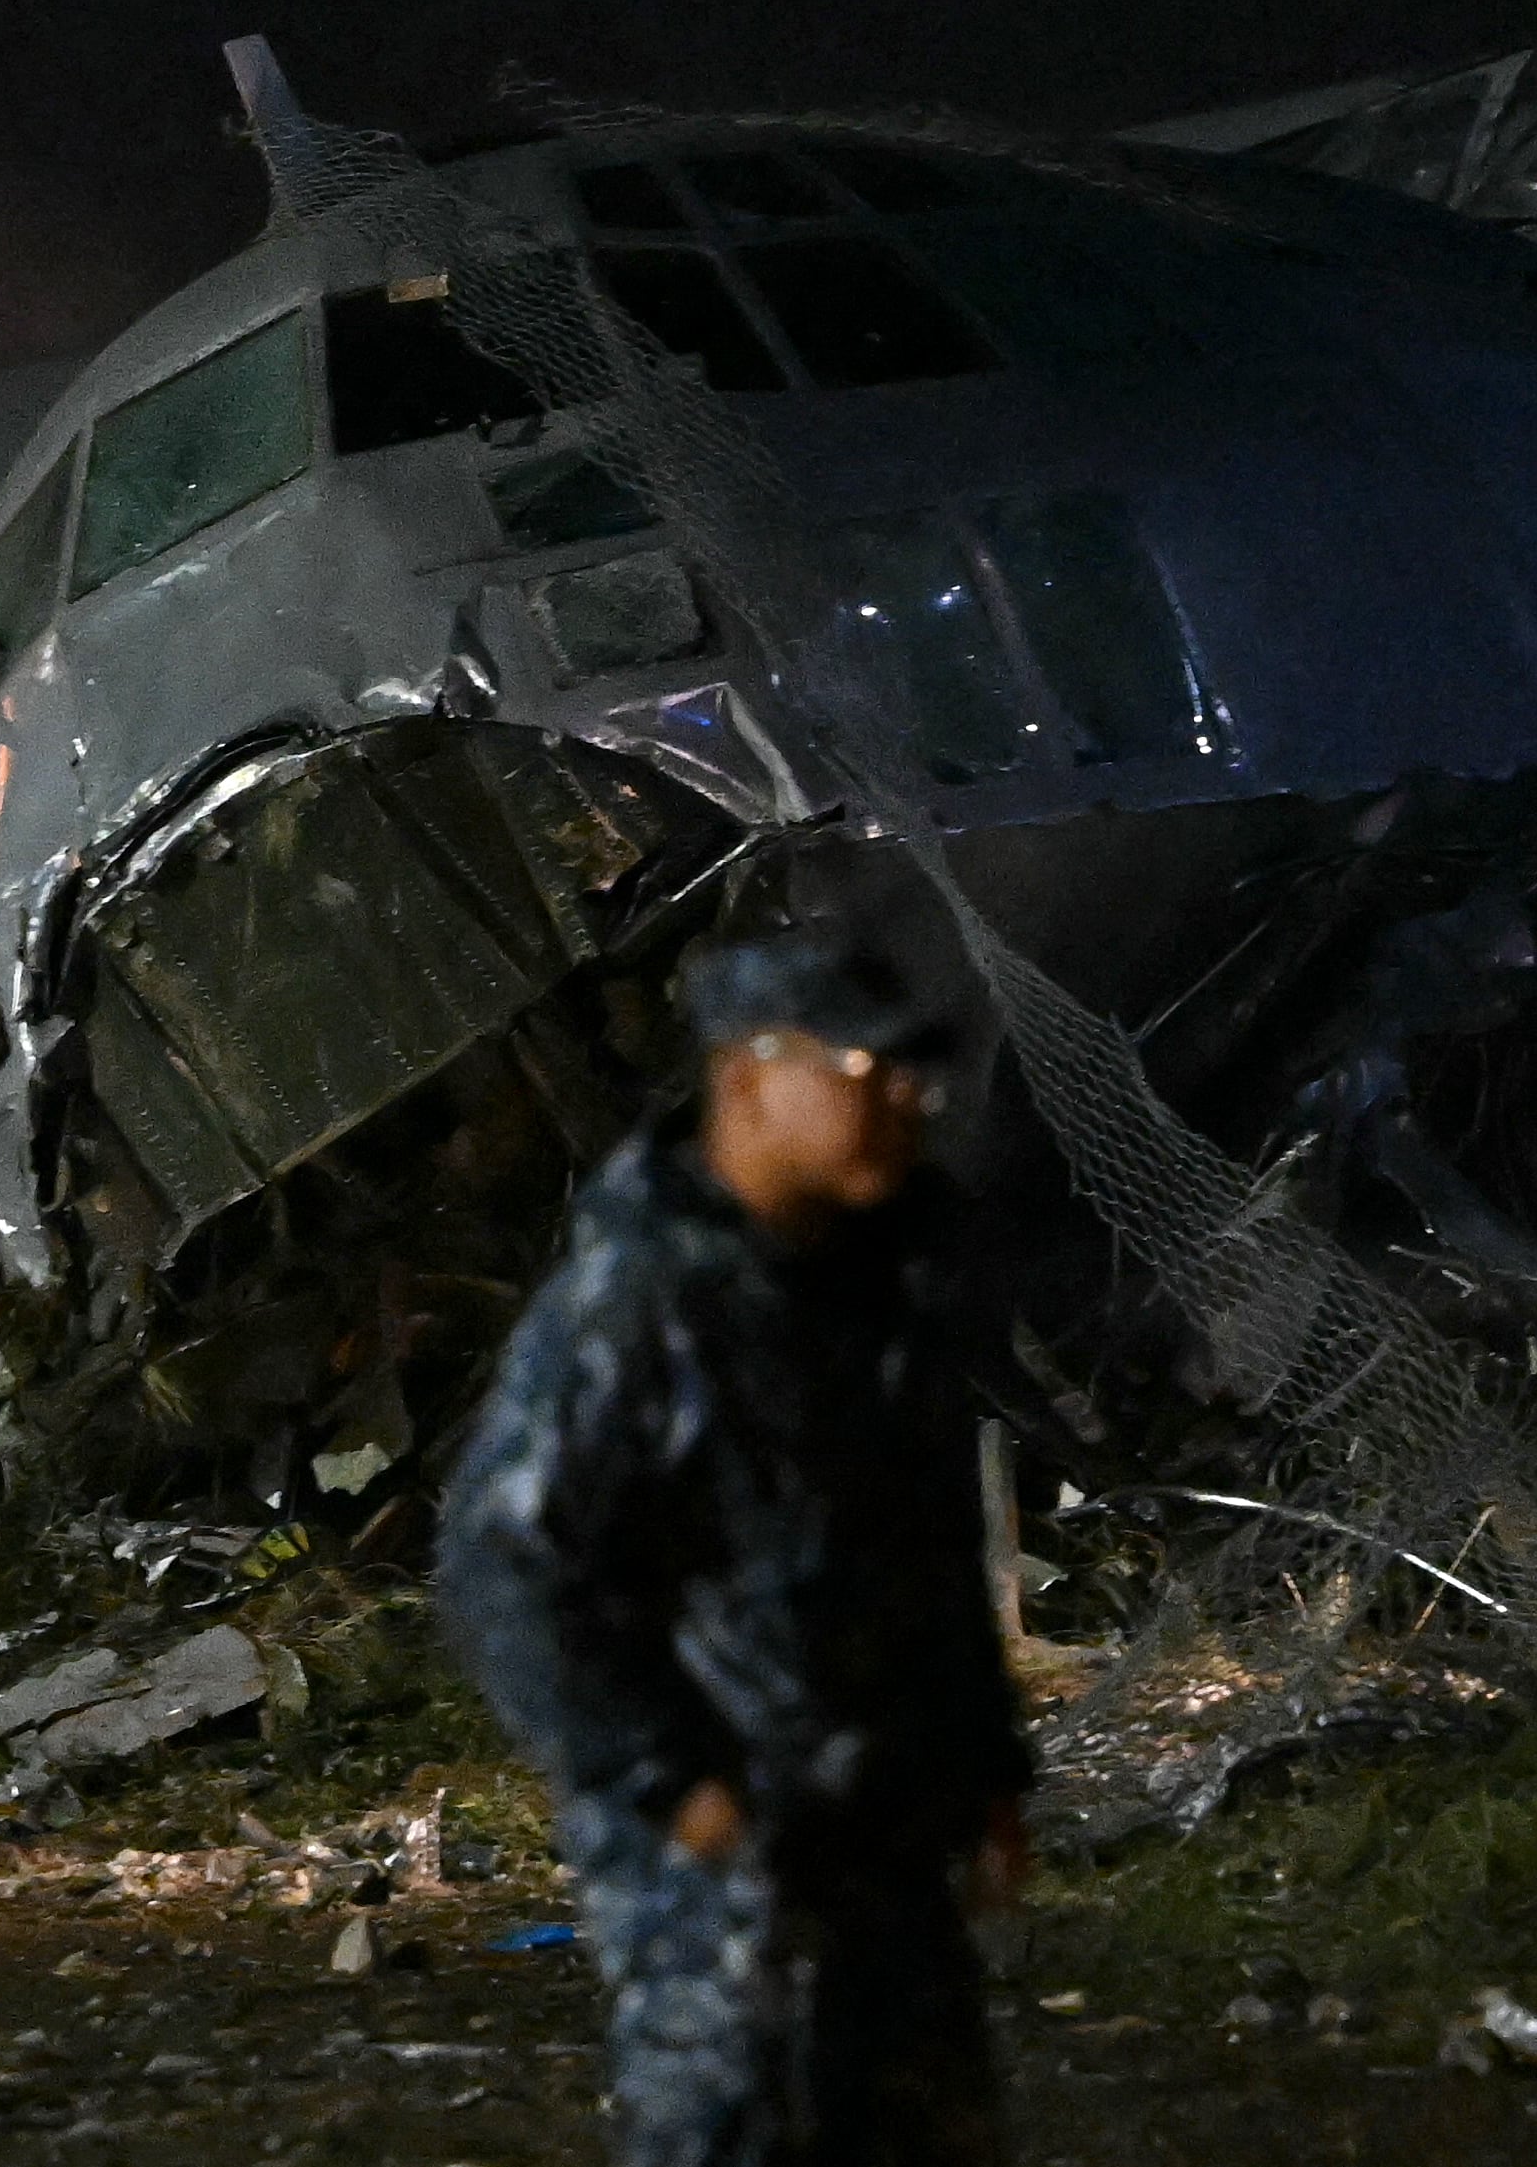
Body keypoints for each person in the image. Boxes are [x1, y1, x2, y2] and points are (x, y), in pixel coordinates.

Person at [441, 922, 1032, 2167]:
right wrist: (668, 1780)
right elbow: (510, 1561)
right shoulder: (646, 1296)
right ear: (753, 1080)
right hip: (732, 1858)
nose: (905, 1104)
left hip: (888, 1827)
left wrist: (983, 1762)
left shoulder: (892, 1281)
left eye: (912, 1076)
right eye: (863, 1075)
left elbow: (927, 1540)